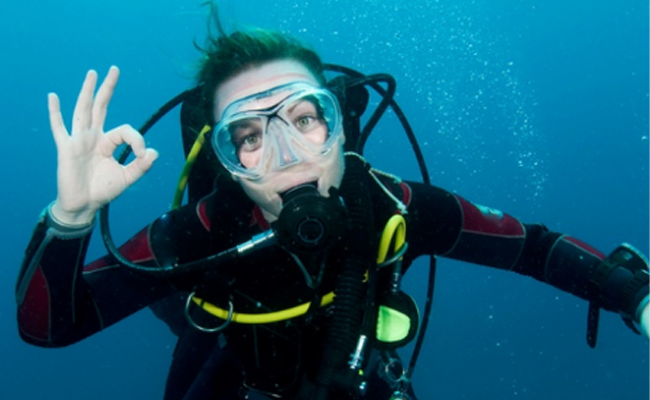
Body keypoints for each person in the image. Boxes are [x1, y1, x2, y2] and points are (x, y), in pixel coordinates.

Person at [15, 11, 649, 400]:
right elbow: (49, 328)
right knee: (186, 328)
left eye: (303, 119)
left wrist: (636, 296)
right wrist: (69, 217)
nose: (287, 155)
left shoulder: (389, 205)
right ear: (228, 160)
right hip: (227, 366)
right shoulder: (201, 231)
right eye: (252, 138)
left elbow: (530, 247)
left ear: (341, 122)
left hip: (348, 370)